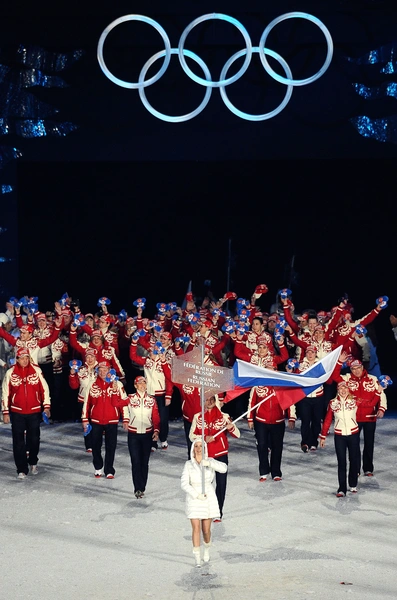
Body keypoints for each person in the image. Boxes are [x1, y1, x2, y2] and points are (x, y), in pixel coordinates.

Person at [319, 379, 383, 496]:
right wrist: (323, 436)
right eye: (341, 388)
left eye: (345, 388)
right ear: (338, 390)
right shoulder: (333, 403)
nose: (343, 390)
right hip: (339, 436)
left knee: (354, 460)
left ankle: (353, 484)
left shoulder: (355, 400)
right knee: (341, 462)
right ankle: (342, 488)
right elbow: (328, 419)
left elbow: (370, 404)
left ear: (348, 389)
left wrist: (378, 392)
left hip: (353, 435)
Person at [1, 347, 50, 479]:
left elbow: (44, 389)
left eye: (27, 358)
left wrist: (46, 406)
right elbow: (5, 393)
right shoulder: (10, 373)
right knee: (18, 441)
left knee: (34, 439)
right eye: (22, 358)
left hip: (34, 411)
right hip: (17, 412)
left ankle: (33, 461)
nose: (25, 360)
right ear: (17, 359)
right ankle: (21, 468)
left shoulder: (37, 370)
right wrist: (5, 411)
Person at [190, 395, 240, 522]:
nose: (209, 401)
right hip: (205, 455)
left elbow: (237, 434)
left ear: (215, 400)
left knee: (221, 484)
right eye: (207, 399)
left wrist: (231, 427)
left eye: (212, 399)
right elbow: (192, 435)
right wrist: (204, 438)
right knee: (205, 484)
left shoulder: (224, 416)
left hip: (221, 455)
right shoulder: (198, 417)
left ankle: (218, 512)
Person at [181, 439, 228, 567]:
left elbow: (224, 469)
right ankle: (197, 557)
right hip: (194, 498)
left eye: (201, 446)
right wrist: (196, 495)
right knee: (196, 528)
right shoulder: (188, 465)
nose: (198, 448)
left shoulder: (210, 461)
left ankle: (206, 548)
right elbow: (184, 483)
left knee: (206, 530)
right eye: (196, 446)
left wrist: (209, 464)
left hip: (208, 496)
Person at [81, 361, 127, 479]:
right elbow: (86, 403)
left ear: (109, 370)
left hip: (112, 420)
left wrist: (126, 419)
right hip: (95, 420)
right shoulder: (92, 384)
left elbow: (124, 402)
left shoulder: (117, 384)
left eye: (104, 370)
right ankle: (98, 467)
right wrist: (85, 419)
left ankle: (109, 469)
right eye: (100, 370)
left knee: (111, 446)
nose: (102, 372)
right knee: (95, 445)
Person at [121, 376, 160, 498]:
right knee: (135, 461)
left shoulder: (151, 400)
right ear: (135, 385)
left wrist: (157, 430)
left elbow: (156, 416)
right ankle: (137, 488)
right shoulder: (130, 398)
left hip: (147, 434)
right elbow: (117, 404)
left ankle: (142, 486)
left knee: (144, 462)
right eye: (140, 383)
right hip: (133, 435)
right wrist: (115, 387)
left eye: (144, 383)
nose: (142, 385)